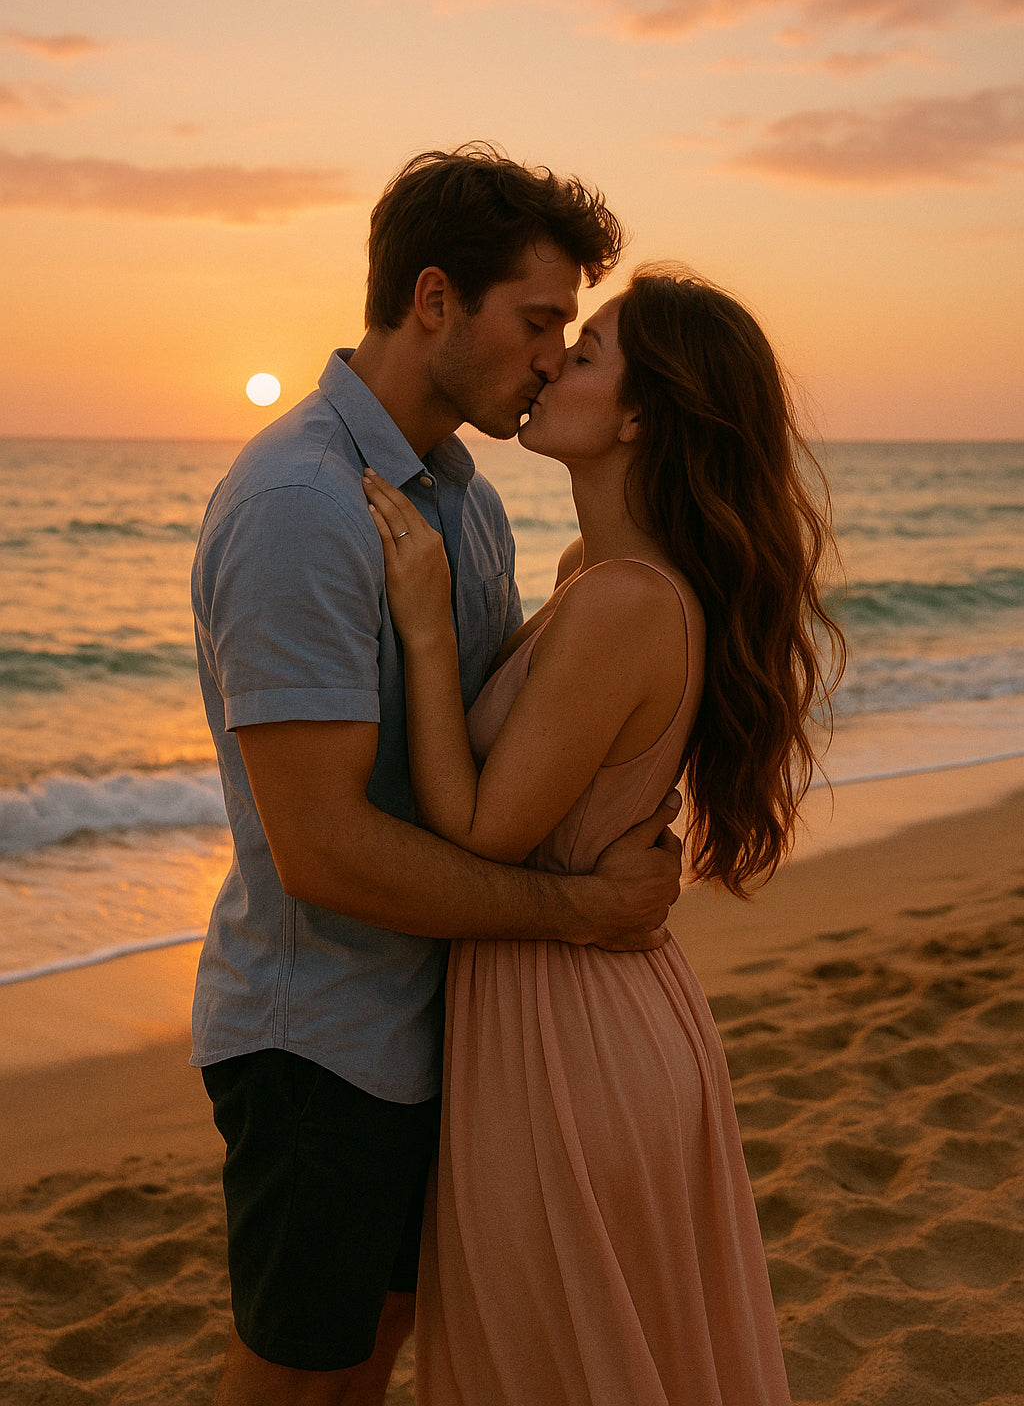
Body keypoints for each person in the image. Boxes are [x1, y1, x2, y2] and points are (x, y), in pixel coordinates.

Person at [190, 147, 686, 1406]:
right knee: (298, 1385)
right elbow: (325, 849)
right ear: (431, 301)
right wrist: (579, 913)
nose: (548, 358)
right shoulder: (304, 503)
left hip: (437, 1032)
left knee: (375, 1362)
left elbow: (480, 750)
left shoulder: (463, 499)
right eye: (535, 323)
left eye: (569, 334)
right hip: (323, 1045)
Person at [362, 265, 846, 1404]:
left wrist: (427, 630)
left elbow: (483, 827)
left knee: (551, 1364)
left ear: (637, 415)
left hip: (567, 1039)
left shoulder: (627, 598)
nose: (549, 363)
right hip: (583, 1011)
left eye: (584, 355)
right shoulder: (596, 576)